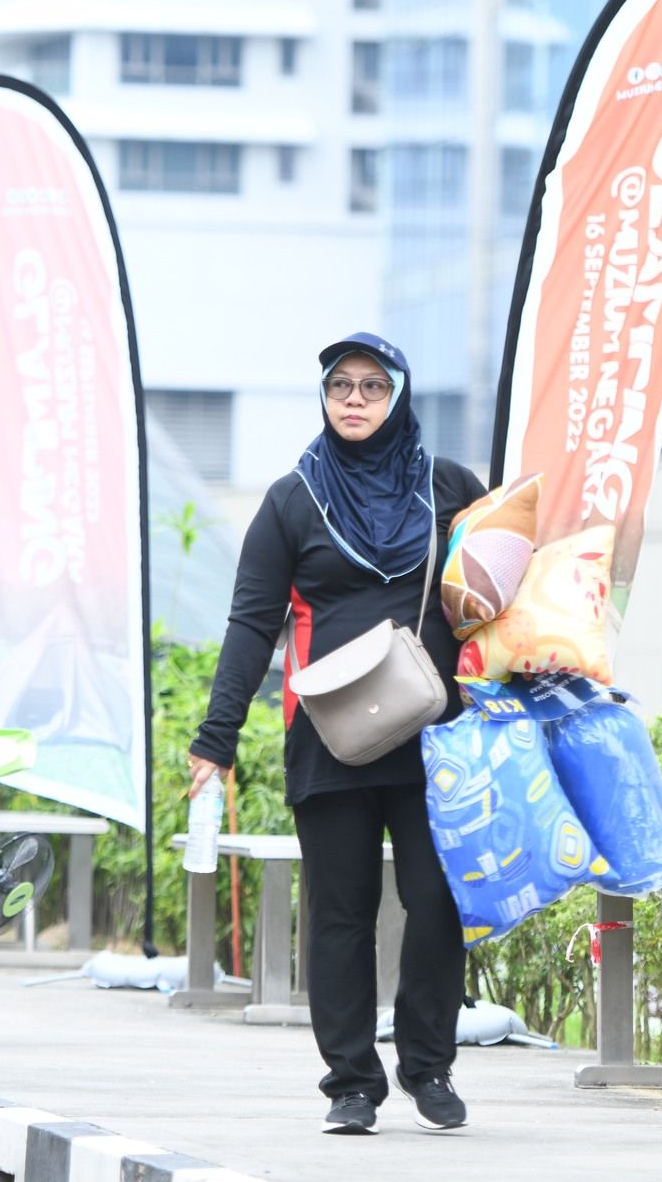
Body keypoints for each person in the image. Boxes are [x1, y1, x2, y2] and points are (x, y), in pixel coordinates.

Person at [187, 332, 486, 1136]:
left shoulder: (451, 488)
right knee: (340, 912)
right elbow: (252, 623)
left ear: (399, 396)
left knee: (438, 900)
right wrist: (216, 738)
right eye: (340, 386)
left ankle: (428, 1063)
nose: (353, 401)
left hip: (437, 735)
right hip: (331, 734)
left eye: (371, 387)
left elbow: (500, 599)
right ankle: (352, 1081)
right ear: (323, 398)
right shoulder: (294, 499)